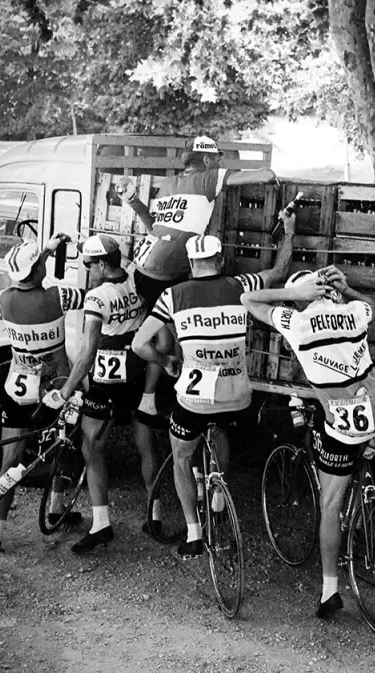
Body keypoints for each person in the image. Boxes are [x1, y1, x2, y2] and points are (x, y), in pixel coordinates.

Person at [131, 210, 295, 560]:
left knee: (182, 455)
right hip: (238, 395)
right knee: (219, 425)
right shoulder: (241, 286)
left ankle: (193, 533)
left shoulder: (173, 296)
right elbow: (281, 272)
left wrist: (168, 361)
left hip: (194, 399)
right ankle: (218, 492)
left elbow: (139, 345)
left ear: (191, 263)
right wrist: (290, 232)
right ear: (220, 260)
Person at [242, 266, 375, 618]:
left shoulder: (296, 323)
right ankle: (367, 500)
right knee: (366, 443)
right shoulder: (353, 312)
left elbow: (247, 298)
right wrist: (350, 289)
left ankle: (330, 590)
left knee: (331, 503)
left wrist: (295, 296)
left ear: (303, 299)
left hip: (343, 422)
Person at [118, 135, 278, 421]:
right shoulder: (208, 178)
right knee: (175, 338)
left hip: (143, 269)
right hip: (164, 272)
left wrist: (133, 202)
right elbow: (264, 174)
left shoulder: (169, 185)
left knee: (169, 334)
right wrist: (269, 176)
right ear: (206, 160)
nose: (220, 162)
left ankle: (160, 393)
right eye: (217, 157)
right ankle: (157, 399)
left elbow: (154, 225)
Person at [44, 235, 160, 553]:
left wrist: (66, 390)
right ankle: (156, 515)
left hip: (107, 384)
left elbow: (87, 353)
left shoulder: (97, 298)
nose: (86, 269)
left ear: (103, 264)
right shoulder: (136, 278)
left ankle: (101, 525)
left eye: (88, 264)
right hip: (138, 375)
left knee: (90, 446)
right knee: (145, 443)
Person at [0, 235, 83, 553]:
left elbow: (19, 276)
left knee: (11, 459)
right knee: (70, 443)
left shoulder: (5, 299)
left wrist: (43, 252)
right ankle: (58, 505)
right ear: (36, 270)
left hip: (18, 387)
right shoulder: (58, 297)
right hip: (55, 385)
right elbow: (94, 296)